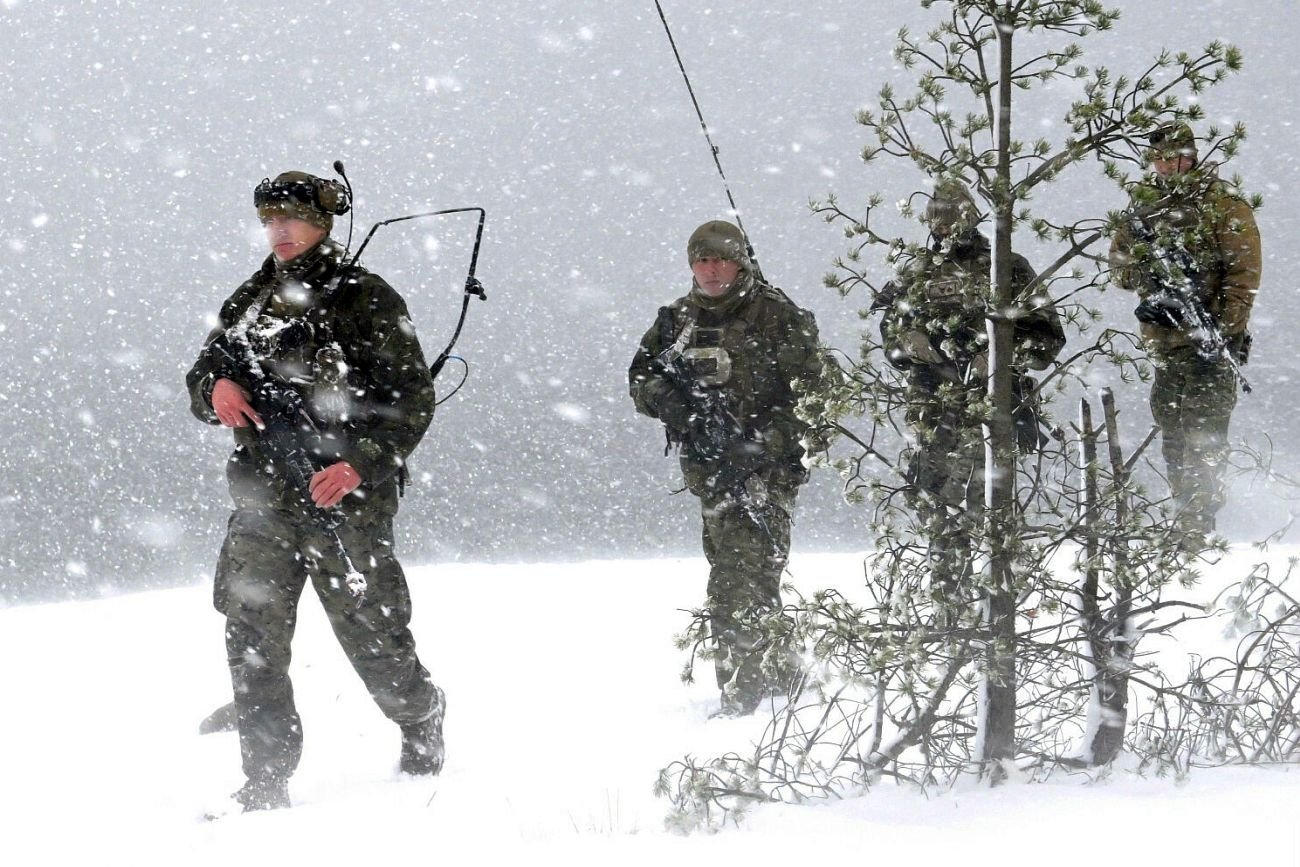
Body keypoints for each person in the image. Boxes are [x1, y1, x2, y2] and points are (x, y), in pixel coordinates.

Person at [186, 170, 446, 812]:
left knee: (374, 639)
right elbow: (205, 371)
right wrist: (215, 388)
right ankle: (266, 778)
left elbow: (412, 399)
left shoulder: (365, 298)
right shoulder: (251, 299)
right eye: (269, 219)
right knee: (252, 639)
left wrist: (359, 464)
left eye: (292, 218)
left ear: (323, 223)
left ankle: (420, 713)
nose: (279, 230)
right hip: (262, 501)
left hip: (342, 504)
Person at [628, 220, 827, 717]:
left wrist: (763, 443)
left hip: (766, 474)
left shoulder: (777, 316)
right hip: (709, 473)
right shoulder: (677, 321)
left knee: (734, 585)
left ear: (740, 262)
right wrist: (674, 405)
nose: (711, 270)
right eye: (702, 260)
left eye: (720, 259)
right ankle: (784, 680)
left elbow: (816, 394)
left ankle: (742, 699)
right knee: (749, 579)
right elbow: (641, 377)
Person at [874, 180, 1065, 595]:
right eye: (936, 219)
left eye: (952, 218)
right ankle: (951, 605)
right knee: (937, 516)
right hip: (934, 415)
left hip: (992, 413)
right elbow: (890, 338)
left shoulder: (1005, 266)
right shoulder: (915, 272)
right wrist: (910, 342)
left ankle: (999, 607)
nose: (944, 227)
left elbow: (1047, 337)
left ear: (972, 217)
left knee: (993, 519)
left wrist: (999, 355)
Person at [1108, 124, 1262, 536]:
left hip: (1211, 343)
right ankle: (1183, 515)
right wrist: (1152, 283)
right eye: (1159, 159)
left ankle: (1198, 522)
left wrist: (1221, 329)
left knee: (1204, 436)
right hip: (1165, 344)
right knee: (1173, 434)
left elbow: (1243, 278)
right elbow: (1119, 266)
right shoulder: (1144, 207)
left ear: (1191, 157)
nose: (1166, 167)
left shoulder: (1222, 204)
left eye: (1174, 158)